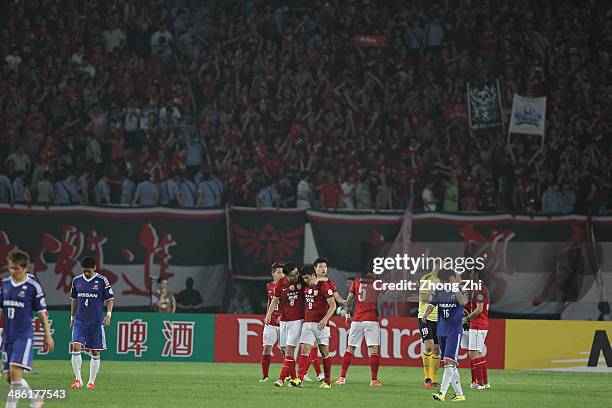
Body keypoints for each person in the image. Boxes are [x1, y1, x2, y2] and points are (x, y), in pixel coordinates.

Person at [1, 250, 55, 408]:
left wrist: (47, 335)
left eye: (16, 269)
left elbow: (42, 314)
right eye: (11, 268)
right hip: (7, 336)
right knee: (10, 377)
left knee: (15, 371)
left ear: (26, 268)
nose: (13, 272)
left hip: (24, 336)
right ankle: (34, 399)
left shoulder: (33, 287)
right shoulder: (4, 285)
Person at [422, 270, 468, 402]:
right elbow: (432, 303)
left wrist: (455, 287)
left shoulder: (461, 288)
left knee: (448, 362)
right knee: (450, 364)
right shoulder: (439, 289)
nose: (441, 282)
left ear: (451, 278)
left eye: (443, 279)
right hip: (441, 330)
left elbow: (463, 302)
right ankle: (460, 395)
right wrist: (426, 314)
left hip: (454, 331)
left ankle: (442, 393)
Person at [70, 256, 114, 390]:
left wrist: (108, 314)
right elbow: (74, 300)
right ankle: (78, 380)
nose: (86, 273)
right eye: (84, 271)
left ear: (94, 268)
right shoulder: (77, 280)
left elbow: (110, 299)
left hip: (95, 322)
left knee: (95, 352)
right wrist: (72, 317)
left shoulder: (102, 280)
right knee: (75, 347)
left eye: (88, 271)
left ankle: (91, 381)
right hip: (80, 320)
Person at [289, 265, 336, 389]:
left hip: (321, 325)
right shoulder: (306, 285)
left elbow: (333, 305)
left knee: (324, 352)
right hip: (307, 323)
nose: (305, 280)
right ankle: (299, 379)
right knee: (305, 350)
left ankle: (327, 381)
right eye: (303, 278)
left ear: (314, 275)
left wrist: (325, 319)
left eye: (307, 277)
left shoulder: (323, 286)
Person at [335, 271, 382, 387]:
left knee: (350, 348)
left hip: (357, 320)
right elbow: (391, 294)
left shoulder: (356, 282)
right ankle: (374, 380)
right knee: (373, 351)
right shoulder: (377, 282)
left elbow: (349, 300)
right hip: (370, 320)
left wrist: (347, 315)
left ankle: (342, 378)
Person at [264, 262, 304, 387]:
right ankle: (295, 379)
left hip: (297, 320)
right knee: (286, 350)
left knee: (289, 350)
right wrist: (268, 314)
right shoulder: (281, 284)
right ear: (286, 276)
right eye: (293, 275)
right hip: (284, 322)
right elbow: (274, 300)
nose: (296, 276)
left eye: (297, 273)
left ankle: (281, 379)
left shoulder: (302, 280)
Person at [461, 270, 490, 389]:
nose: (469, 275)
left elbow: (478, 309)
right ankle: (480, 382)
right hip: (477, 324)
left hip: (478, 324)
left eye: (472, 273)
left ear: (477, 275)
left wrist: (465, 319)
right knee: (474, 353)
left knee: (474, 353)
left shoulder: (479, 289)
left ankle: (480, 383)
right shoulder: (478, 287)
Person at [260, 263, 284, 382]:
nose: (281, 275)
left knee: (285, 350)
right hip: (271, 323)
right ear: (273, 273)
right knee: (267, 348)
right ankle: (265, 376)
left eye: (282, 272)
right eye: (278, 272)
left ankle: (288, 375)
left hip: (285, 323)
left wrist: (284, 316)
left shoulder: (288, 287)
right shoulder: (269, 286)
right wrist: (267, 315)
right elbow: (270, 302)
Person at [418, 264, 442, 388]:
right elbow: (423, 297)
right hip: (425, 317)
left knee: (437, 349)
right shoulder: (426, 278)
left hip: (438, 318)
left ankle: (432, 380)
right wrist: (437, 296)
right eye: (437, 264)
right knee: (429, 347)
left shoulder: (442, 280)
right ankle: (427, 379)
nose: (438, 267)